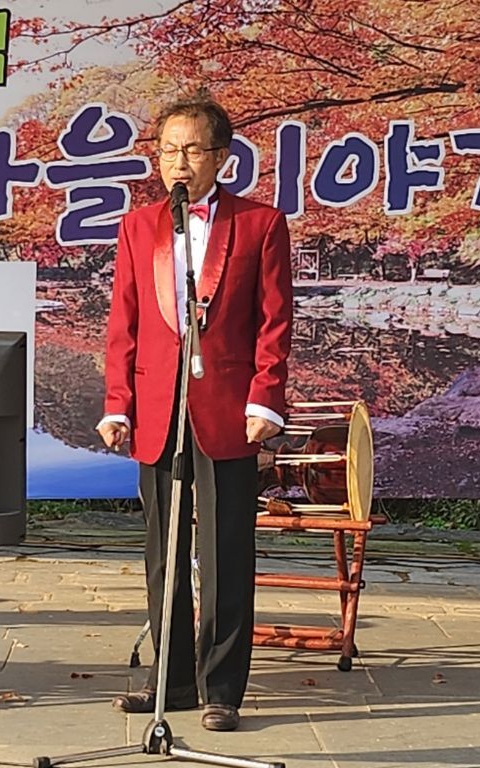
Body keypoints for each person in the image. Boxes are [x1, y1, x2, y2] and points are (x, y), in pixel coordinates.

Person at [97, 96, 292, 732]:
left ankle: (222, 687)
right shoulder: (138, 226)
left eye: (191, 150)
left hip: (229, 405)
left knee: (226, 547)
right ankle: (173, 679)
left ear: (221, 157)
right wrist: (118, 403)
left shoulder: (260, 223)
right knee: (165, 550)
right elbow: (123, 321)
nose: (178, 163)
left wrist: (265, 398)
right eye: (168, 150)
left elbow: (274, 321)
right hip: (157, 404)